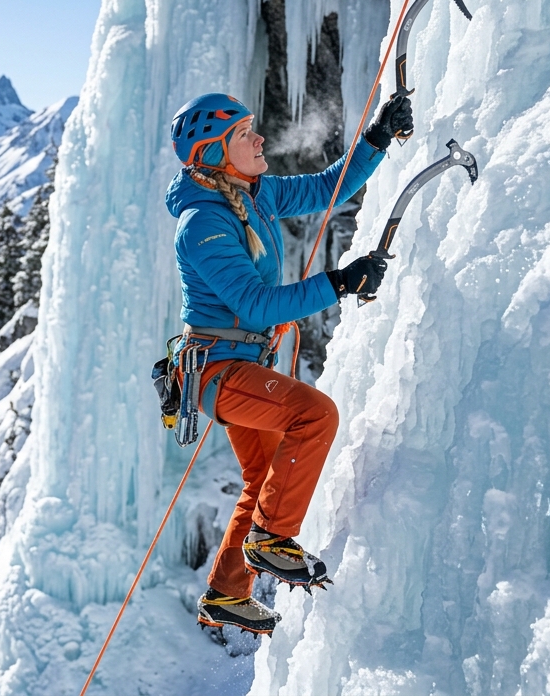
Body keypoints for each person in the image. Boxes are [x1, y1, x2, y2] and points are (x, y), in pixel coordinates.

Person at [165, 92, 412, 635]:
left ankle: (228, 595)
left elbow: (326, 188)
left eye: (254, 127)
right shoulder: (203, 224)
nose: (258, 138)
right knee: (314, 416)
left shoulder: (250, 195)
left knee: (262, 475)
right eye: (244, 134)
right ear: (215, 153)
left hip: (237, 366)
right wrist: (339, 283)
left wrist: (375, 139)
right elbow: (254, 304)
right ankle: (271, 539)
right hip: (218, 372)